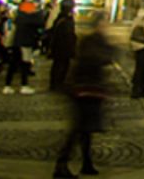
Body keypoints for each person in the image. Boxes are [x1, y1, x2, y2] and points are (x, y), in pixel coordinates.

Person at [53, 13, 116, 179]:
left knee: (85, 130)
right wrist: (108, 53)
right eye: (104, 22)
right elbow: (95, 59)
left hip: (90, 90)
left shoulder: (95, 40)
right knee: (78, 129)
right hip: (84, 90)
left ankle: (86, 163)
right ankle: (62, 163)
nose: (107, 26)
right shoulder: (92, 41)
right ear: (98, 25)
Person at [5, 0, 46, 94]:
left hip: (17, 41)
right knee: (25, 64)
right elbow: (40, 22)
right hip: (26, 42)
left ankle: (7, 85)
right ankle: (24, 85)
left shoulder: (20, 15)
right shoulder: (34, 16)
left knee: (13, 64)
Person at [49, 0, 78, 93]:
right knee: (62, 66)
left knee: (57, 65)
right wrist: (72, 49)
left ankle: (54, 84)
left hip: (58, 47)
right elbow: (69, 35)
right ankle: (57, 84)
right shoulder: (67, 20)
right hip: (63, 47)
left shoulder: (60, 18)